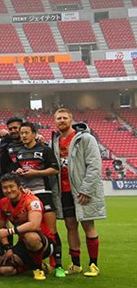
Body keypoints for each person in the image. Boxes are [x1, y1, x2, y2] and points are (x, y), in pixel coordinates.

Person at [52, 108, 105, 277]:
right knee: (70, 226)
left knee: (88, 225)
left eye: (65, 118)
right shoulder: (54, 141)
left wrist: (86, 189)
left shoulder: (86, 139)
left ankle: (93, 264)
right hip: (64, 191)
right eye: (58, 118)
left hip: (81, 191)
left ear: (71, 120)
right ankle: (76, 264)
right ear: (54, 121)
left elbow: (94, 165)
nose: (61, 120)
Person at [14, 122, 63, 275]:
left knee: (51, 230)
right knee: (30, 231)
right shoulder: (19, 152)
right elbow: (17, 169)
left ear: (34, 133)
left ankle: (58, 265)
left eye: (26, 132)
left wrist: (35, 173)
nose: (23, 136)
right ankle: (38, 264)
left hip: (43, 192)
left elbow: (55, 169)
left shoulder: (45, 149)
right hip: (27, 195)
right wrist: (19, 171)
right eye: (21, 133)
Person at [0, 173, 54, 280]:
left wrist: (10, 231)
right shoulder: (2, 203)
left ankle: (37, 268)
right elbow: (0, 229)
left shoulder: (32, 200)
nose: (9, 190)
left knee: (30, 237)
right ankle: (31, 266)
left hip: (43, 243)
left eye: (11, 186)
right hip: (23, 243)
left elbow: (34, 225)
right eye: (5, 188)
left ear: (19, 187)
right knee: (4, 270)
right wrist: (8, 248)